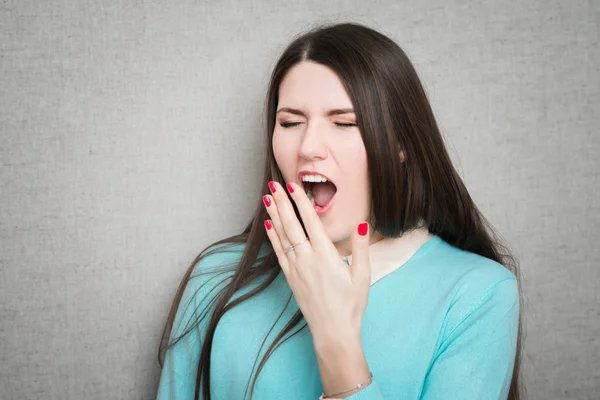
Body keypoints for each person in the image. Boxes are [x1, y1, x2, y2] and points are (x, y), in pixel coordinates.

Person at [156, 22, 523, 400]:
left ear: (401, 145)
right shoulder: (217, 276)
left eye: (344, 123)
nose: (308, 146)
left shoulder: (478, 294)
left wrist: (337, 339)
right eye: (290, 122)